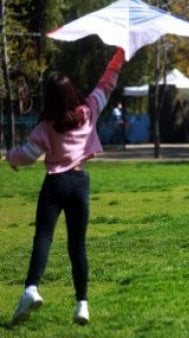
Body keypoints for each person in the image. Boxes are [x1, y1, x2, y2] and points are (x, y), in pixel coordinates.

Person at [6, 47, 127, 325]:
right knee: (78, 246)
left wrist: (11, 158)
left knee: (44, 237)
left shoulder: (46, 125)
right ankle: (82, 304)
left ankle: (31, 289)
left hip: (54, 184)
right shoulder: (89, 111)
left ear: (49, 98)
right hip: (79, 183)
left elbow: (27, 153)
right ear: (72, 91)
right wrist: (119, 56)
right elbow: (106, 83)